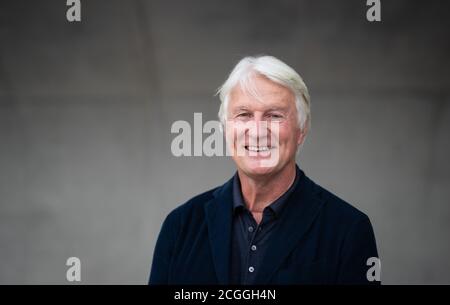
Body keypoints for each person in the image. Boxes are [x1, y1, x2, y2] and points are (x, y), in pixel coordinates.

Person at [149, 55, 379, 284]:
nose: (258, 131)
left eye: (274, 115)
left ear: (302, 130)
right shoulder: (180, 226)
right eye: (244, 115)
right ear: (225, 129)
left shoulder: (348, 230)